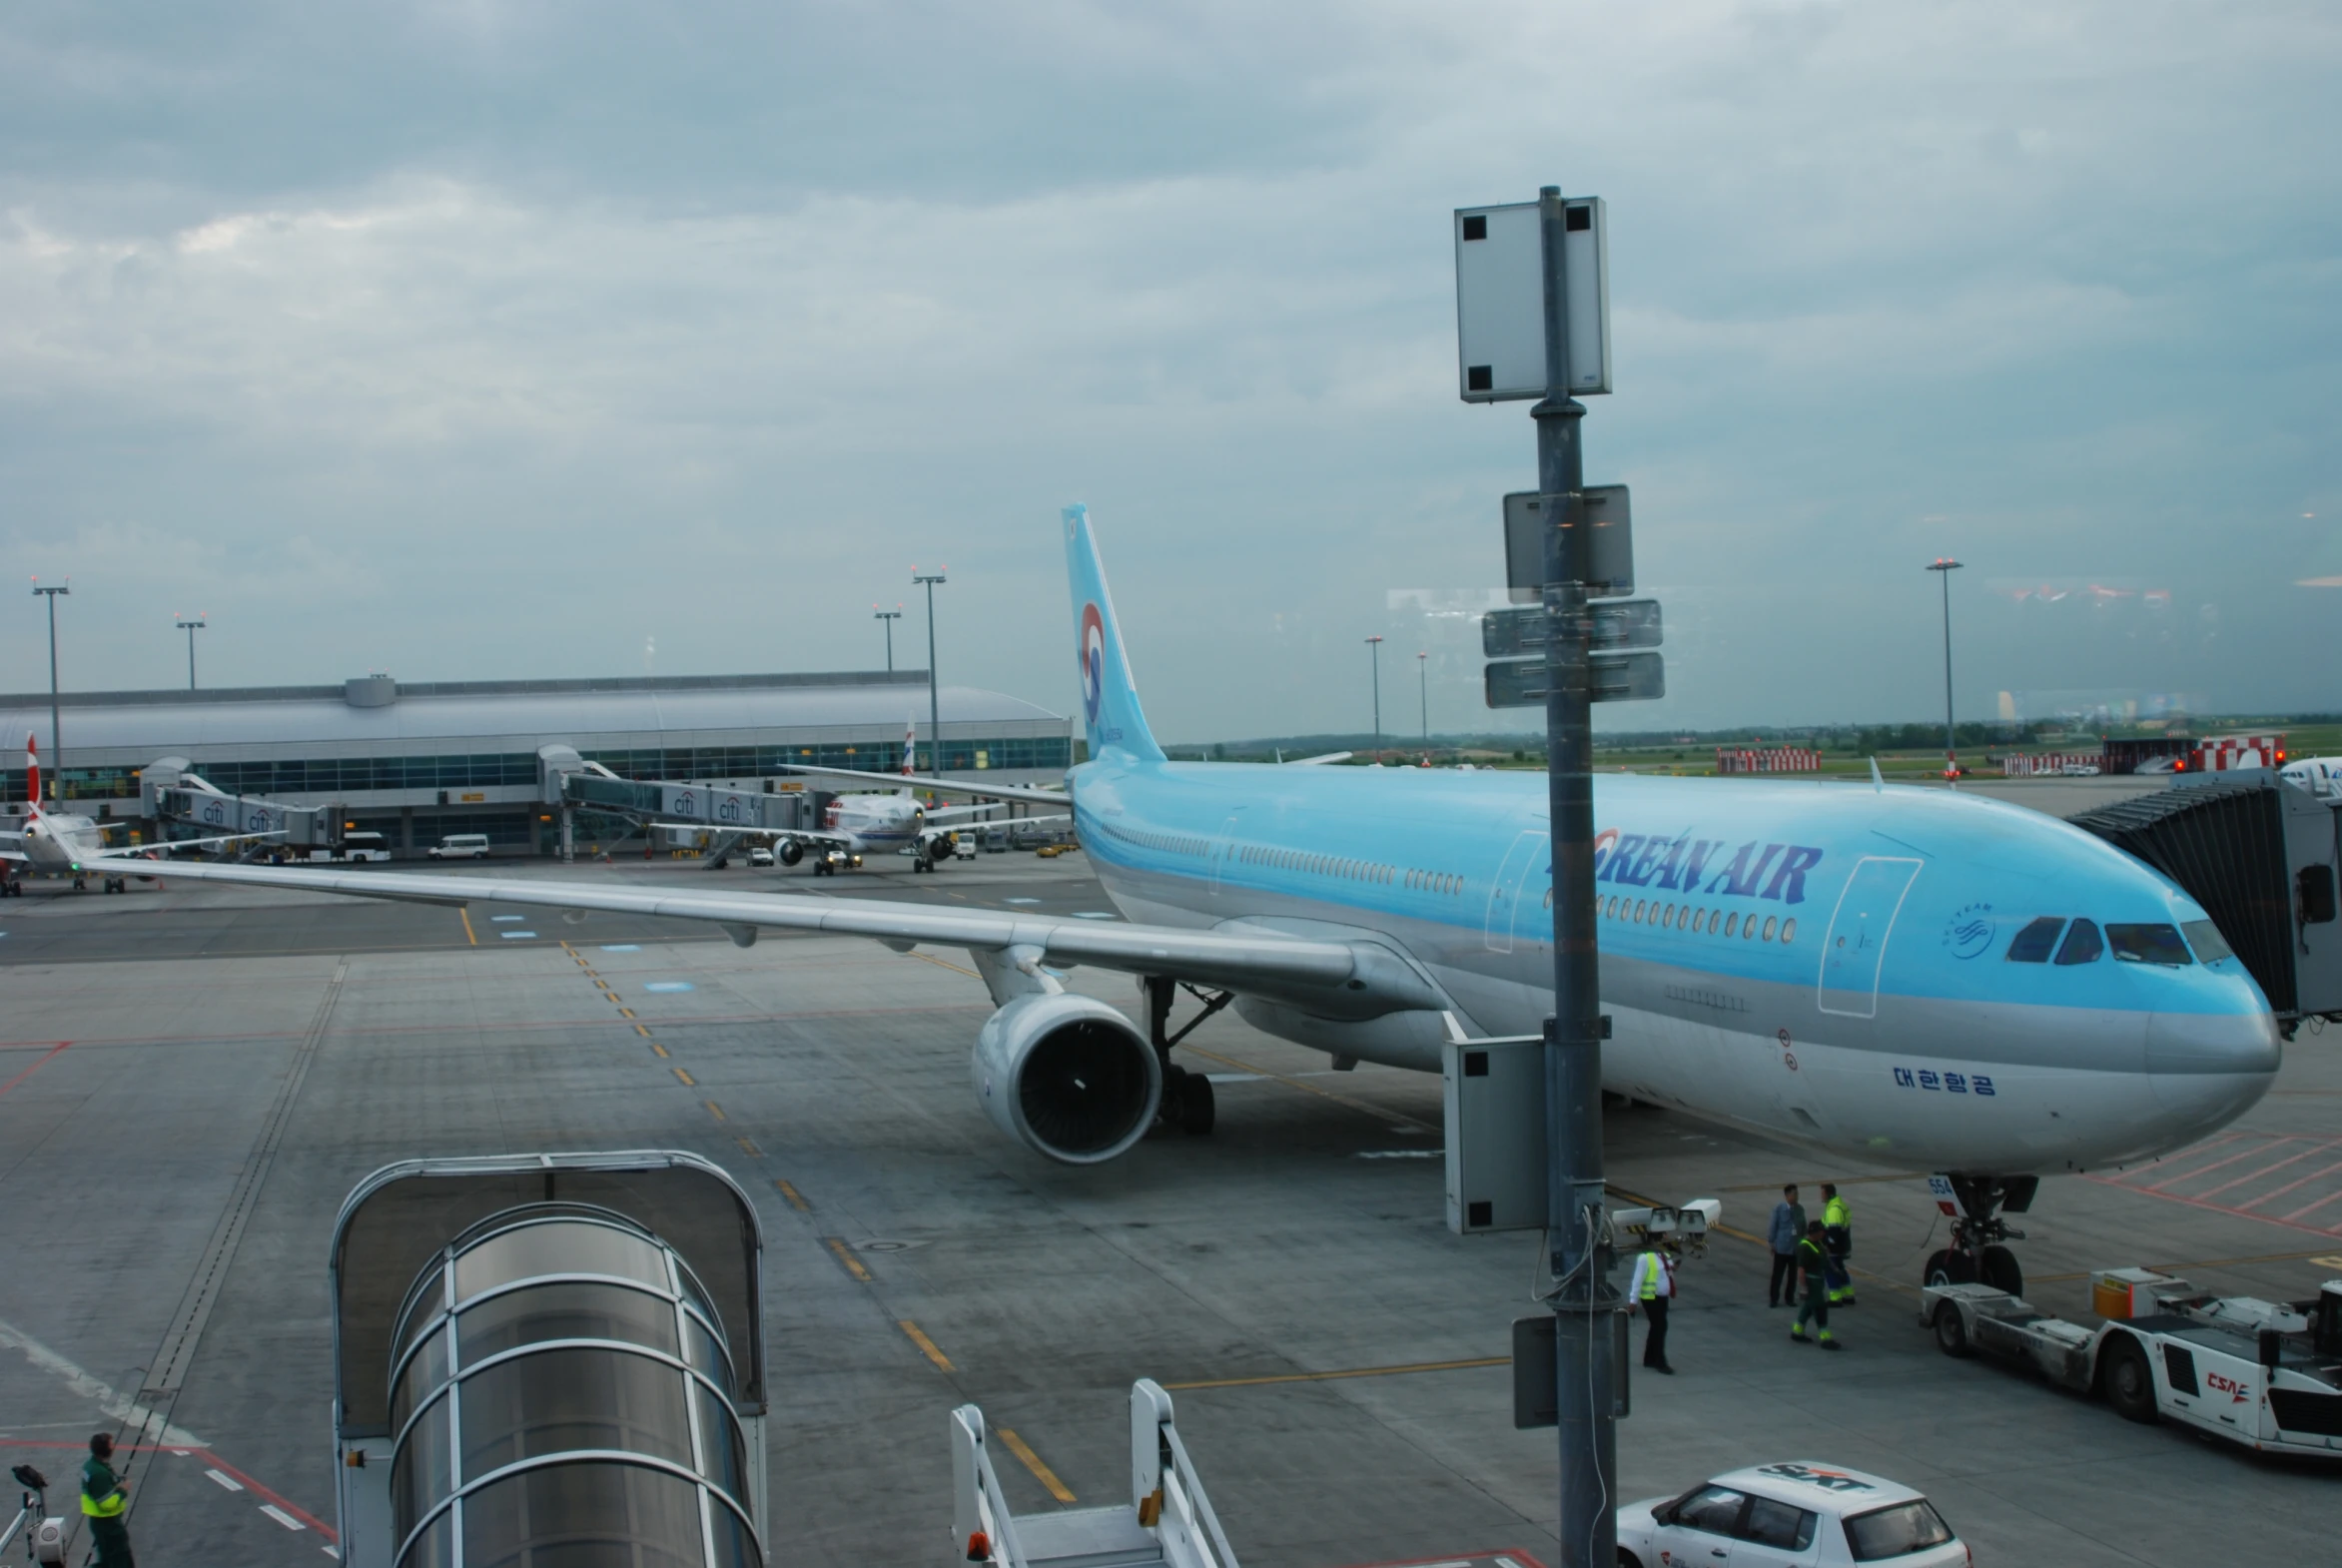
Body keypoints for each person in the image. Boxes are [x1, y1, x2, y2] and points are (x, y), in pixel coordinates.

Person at [81, 1432, 135, 1567]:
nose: (114, 1446)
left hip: (100, 1524)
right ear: (105, 1449)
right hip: (108, 1525)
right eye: (111, 1444)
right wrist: (123, 1490)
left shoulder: (92, 1466)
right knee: (120, 1559)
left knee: (107, 1561)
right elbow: (106, 1503)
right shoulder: (99, 1473)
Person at [1790, 1219, 1840, 1349]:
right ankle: (1825, 1338)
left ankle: (1797, 1331)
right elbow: (1801, 1269)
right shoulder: (1805, 1247)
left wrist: (1834, 1269)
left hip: (1818, 1280)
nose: (1823, 1233)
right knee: (1820, 1308)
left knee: (1808, 1308)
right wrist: (1804, 1288)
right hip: (1811, 1283)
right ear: (1815, 1233)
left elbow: (1825, 1259)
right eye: (1821, 1231)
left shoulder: (1818, 1243)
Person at [1629, 1243, 1676, 1374]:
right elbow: (1637, 1280)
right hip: (1650, 1297)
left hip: (1662, 1297)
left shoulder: (1664, 1256)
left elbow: (1670, 1270)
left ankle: (1649, 1358)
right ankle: (1660, 1361)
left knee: (1656, 1327)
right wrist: (1633, 1301)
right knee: (1660, 1326)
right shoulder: (1644, 1258)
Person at [1767, 1183, 1807, 1307]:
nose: (1796, 1196)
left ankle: (1789, 1298)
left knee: (1792, 1276)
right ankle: (1774, 1299)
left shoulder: (1800, 1209)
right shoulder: (1779, 1209)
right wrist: (1771, 1242)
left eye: (1797, 1194)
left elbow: (1803, 1227)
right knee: (1777, 1275)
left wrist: (1802, 1242)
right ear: (1787, 1196)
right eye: (1794, 1194)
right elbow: (1773, 1227)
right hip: (1782, 1248)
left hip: (1794, 1248)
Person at [1822, 1182, 1856, 1305]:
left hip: (1834, 1248)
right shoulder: (1838, 1204)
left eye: (1823, 1193)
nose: (1821, 1196)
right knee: (1840, 1269)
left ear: (1828, 1194)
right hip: (1842, 1245)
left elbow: (1833, 1232)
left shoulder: (1834, 1209)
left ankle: (1835, 1298)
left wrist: (1827, 1245)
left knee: (1831, 1270)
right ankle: (1848, 1294)